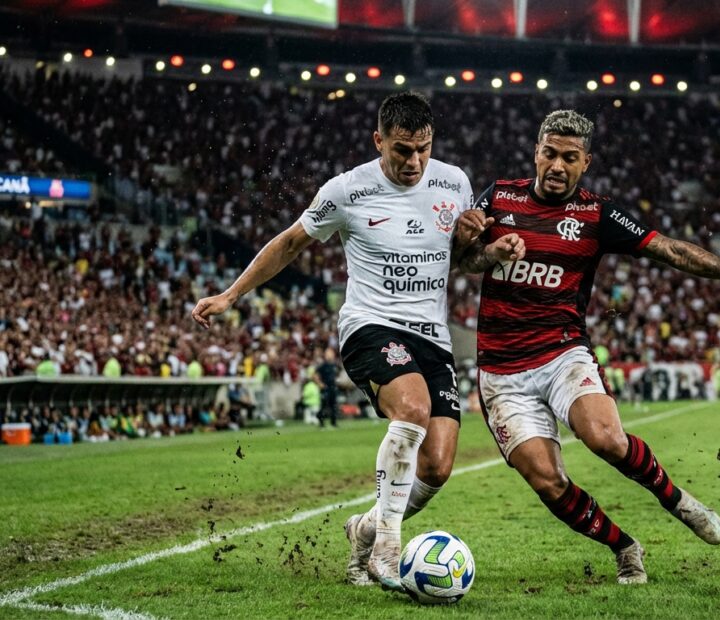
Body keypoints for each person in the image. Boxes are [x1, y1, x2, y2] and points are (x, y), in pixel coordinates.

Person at [191, 92, 516, 590]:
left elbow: (460, 262)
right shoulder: (347, 190)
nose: (414, 161)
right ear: (378, 140)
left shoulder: (455, 182)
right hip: (370, 325)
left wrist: (482, 247)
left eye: (424, 149)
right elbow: (290, 242)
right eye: (402, 149)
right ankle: (386, 550)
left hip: (432, 336)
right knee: (411, 409)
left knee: (437, 466)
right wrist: (231, 294)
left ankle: (363, 530)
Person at [456, 109, 720, 584]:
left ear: (586, 162)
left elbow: (668, 248)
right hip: (501, 370)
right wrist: (487, 249)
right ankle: (624, 547)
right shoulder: (498, 197)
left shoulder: (597, 214)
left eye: (569, 158)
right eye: (549, 154)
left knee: (606, 439)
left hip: (561, 352)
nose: (557, 166)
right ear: (536, 152)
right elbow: (462, 260)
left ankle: (680, 502)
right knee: (547, 480)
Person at [316, 347, 340, 428]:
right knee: (324, 405)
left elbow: (336, 375)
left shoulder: (334, 365)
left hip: (333, 388)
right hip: (326, 388)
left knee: (333, 406)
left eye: (331, 353)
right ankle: (321, 422)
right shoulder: (323, 365)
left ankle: (333, 423)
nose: (330, 355)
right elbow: (315, 375)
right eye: (328, 353)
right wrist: (320, 384)